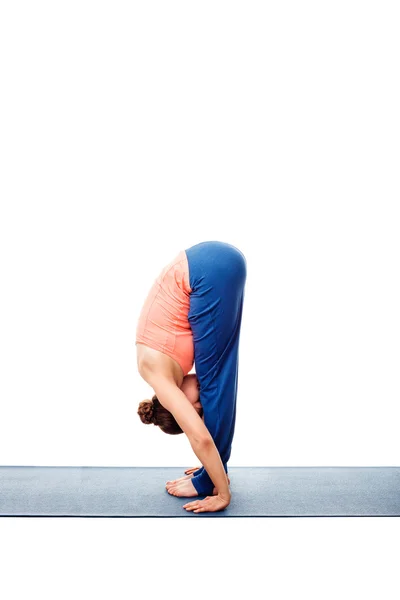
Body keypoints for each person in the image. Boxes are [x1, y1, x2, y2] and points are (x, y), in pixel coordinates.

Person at [136, 240, 247, 513]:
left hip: (205, 271)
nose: (199, 407)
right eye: (198, 410)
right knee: (217, 381)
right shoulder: (164, 368)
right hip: (210, 263)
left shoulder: (158, 377)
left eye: (192, 408)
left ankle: (212, 479)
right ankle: (214, 470)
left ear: (176, 404)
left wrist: (223, 494)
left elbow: (201, 439)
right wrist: (212, 463)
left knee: (215, 384)